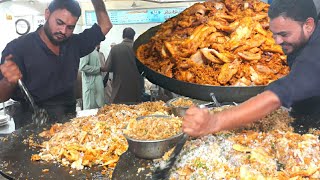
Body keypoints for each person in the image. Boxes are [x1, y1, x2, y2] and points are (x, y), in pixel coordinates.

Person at [183, 0, 320, 137]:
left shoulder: (314, 54)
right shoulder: (306, 37)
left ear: (308, 25)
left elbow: (277, 96)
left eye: (284, 34)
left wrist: (214, 122)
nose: (277, 41)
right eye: (274, 34)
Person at [0, 0, 112, 128]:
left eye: (70, 27)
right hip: (31, 124)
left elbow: (105, 26)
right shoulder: (18, 48)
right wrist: (8, 82)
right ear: (47, 14)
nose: (63, 31)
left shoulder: (74, 44)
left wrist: (97, 1)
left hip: (67, 125)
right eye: (59, 23)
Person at [105, 27, 144, 103]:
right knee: (136, 111)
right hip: (135, 87)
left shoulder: (115, 49)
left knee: (118, 112)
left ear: (123, 36)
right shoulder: (138, 48)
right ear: (133, 36)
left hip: (119, 88)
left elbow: (107, 67)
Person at [79, 44, 106, 109]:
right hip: (91, 86)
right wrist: (99, 69)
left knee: (99, 112)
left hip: (97, 85)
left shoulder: (95, 51)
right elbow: (82, 67)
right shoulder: (86, 50)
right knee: (90, 113)